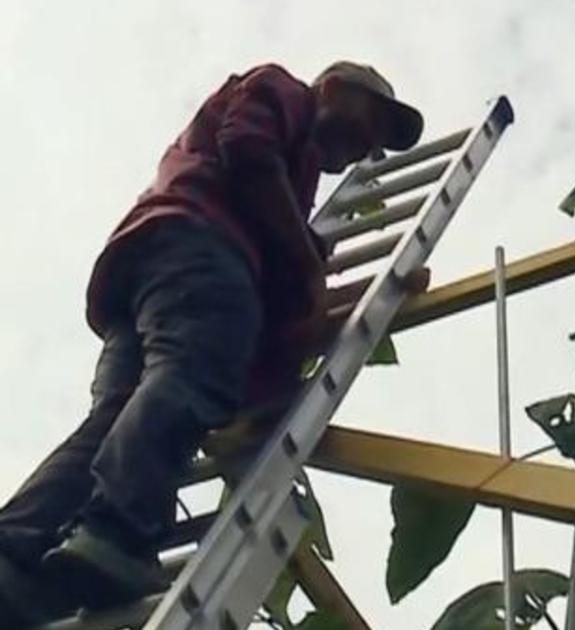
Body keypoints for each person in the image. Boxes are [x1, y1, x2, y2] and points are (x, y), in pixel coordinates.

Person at [0, 60, 428, 625]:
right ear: (332, 88)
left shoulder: (285, 190)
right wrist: (308, 262)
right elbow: (248, 148)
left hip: (154, 264)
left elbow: (262, 327)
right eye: (372, 120)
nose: (367, 144)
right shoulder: (281, 92)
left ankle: (14, 561)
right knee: (190, 374)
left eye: (377, 144)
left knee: (114, 415)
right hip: (194, 241)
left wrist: (354, 306)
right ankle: (116, 530)